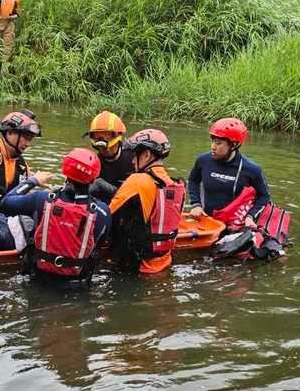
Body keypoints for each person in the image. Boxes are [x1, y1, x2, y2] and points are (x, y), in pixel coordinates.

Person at [1, 148, 111, 281]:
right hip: (76, 287)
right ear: (94, 178)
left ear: (65, 171)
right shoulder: (102, 211)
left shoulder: (41, 199)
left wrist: (32, 181)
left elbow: (6, 203)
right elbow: (97, 246)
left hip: (38, 280)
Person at [109, 129, 184, 275]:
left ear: (146, 154)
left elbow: (107, 217)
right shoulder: (178, 185)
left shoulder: (138, 180)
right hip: (163, 264)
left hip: (135, 268)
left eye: (134, 155)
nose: (131, 160)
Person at [187, 117, 271, 231]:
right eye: (212, 141)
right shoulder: (203, 160)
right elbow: (193, 181)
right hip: (207, 220)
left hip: (234, 224)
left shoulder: (252, 169)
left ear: (234, 145)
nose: (213, 147)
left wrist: (250, 217)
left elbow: (264, 196)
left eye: (218, 143)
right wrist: (196, 204)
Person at [84, 110, 135, 201]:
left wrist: (110, 189)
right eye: (97, 136)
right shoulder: (93, 163)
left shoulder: (134, 158)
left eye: (108, 136)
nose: (106, 149)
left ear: (119, 137)